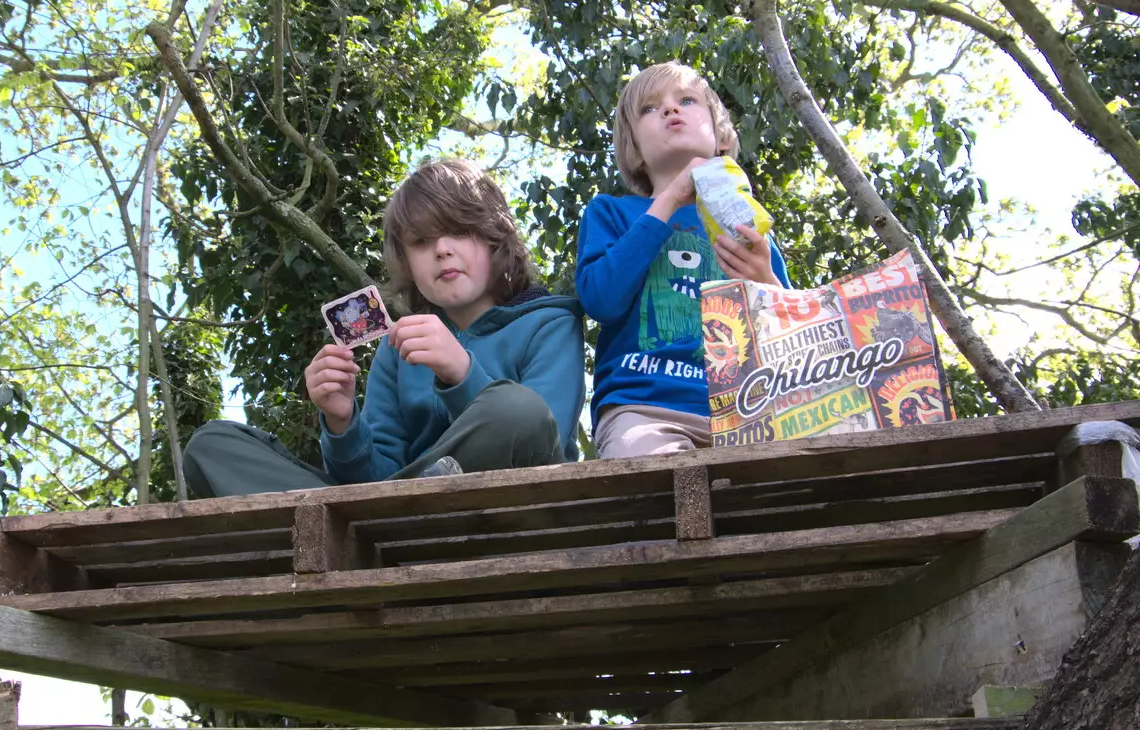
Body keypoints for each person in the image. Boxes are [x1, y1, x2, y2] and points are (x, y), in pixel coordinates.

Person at [183, 157, 585, 497]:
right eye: (422, 241)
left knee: (517, 408)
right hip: (384, 512)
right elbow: (373, 480)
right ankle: (389, 527)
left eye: (461, 231)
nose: (442, 249)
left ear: (496, 239)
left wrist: (461, 373)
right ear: (406, 261)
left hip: (509, 509)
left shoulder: (551, 323)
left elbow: (539, 438)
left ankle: (399, 524)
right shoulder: (397, 349)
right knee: (212, 445)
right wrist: (343, 424)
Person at [576, 61, 791, 459]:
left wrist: (764, 278)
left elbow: (792, 338)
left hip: (751, 410)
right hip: (643, 409)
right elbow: (600, 299)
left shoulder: (749, 226)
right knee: (647, 481)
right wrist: (670, 199)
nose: (670, 110)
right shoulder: (611, 213)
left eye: (686, 100)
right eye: (650, 108)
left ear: (719, 134)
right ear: (635, 150)